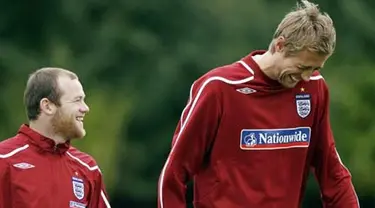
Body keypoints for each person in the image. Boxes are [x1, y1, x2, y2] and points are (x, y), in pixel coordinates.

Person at [158, 0, 360, 207]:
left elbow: (332, 171)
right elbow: (174, 172)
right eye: (302, 67)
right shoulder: (219, 88)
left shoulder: (314, 88)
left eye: (315, 68)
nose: (307, 77)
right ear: (280, 45)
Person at [0, 67, 111, 208]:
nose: (85, 108)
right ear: (47, 106)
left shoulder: (88, 168)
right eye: (77, 100)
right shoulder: (4, 160)